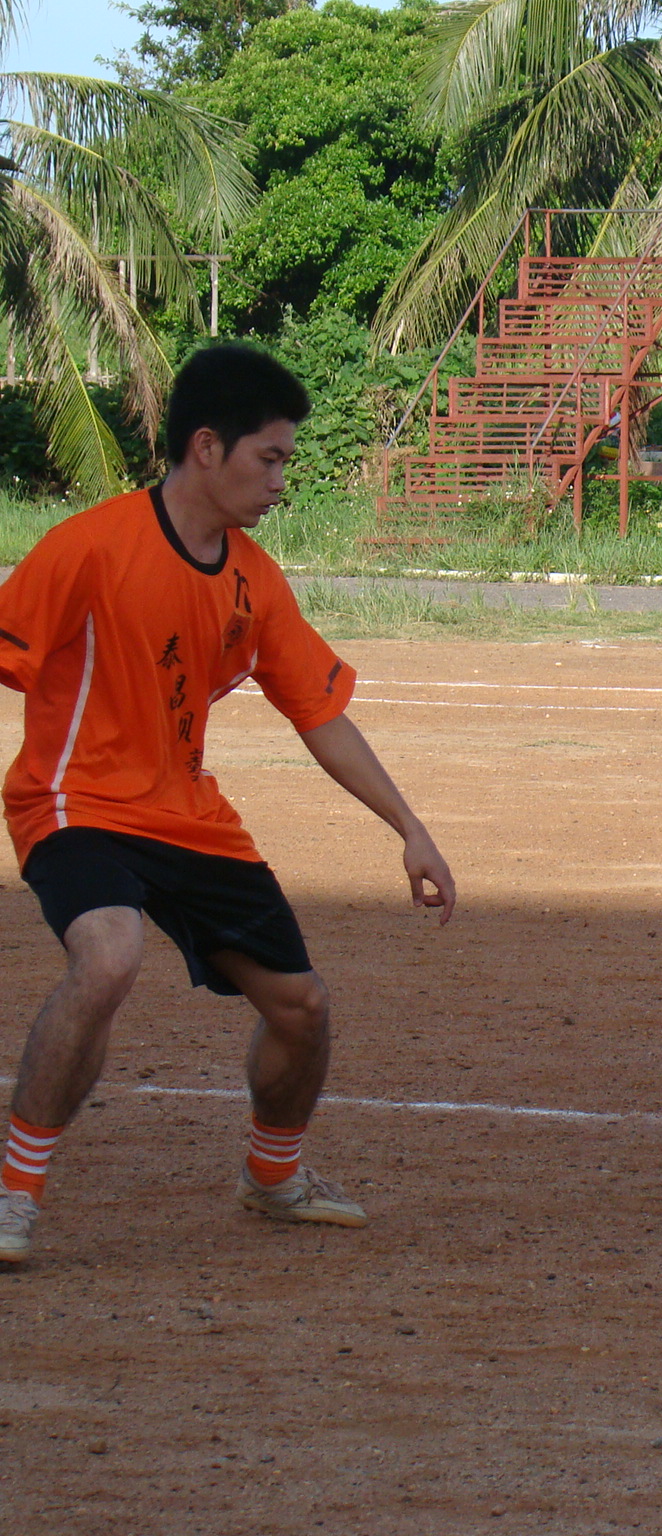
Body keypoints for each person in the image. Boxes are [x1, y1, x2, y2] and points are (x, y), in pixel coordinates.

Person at [0, 346, 456, 1265]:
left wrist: (410, 827)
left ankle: (273, 1176)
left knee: (302, 1009)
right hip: (77, 803)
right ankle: (13, 1196)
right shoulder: (88, 548)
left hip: (188, 816)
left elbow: (318, 714)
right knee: (109, 956)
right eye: (270, 457)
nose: (282, 479)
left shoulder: (254, 578)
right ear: (207, 447)